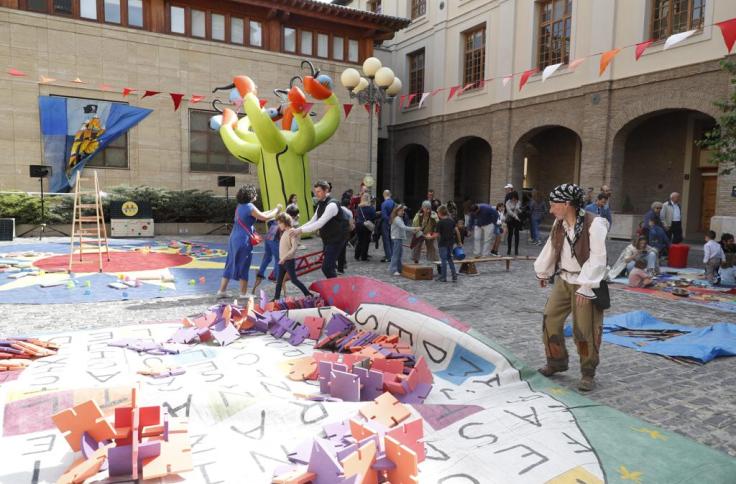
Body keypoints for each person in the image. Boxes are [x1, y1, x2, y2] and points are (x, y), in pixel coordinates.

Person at [534, 183, 609, 392]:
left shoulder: (595, 224)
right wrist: (544, 272)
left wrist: (586, 286)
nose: (550, 210)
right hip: (564, 280)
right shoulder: (559, 224)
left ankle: (587, 372)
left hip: (586, 282)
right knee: (550, 318)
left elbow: (598, 257)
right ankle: (556, 362)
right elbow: (552, 248)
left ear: (567, 204)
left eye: (553, 205)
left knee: (584, 329)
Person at [218, 184, 281, 299]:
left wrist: (272, 211)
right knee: (244, 264)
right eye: (254, 193)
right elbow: (264, 217)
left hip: (234, 238)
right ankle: (243, 293)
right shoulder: (250, 206)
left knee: (230, 263)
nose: (256, 194)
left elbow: (261, 214)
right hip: (243, 239)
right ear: (251, 195)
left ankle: (221, 291)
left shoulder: (241, 206)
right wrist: (277, 209)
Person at [290, 180, 350, 279]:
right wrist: (298, 229)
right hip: (328, 239)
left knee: (327, 268)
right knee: (329, 267)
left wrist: (299, 231)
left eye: (319, 191)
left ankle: (336, 289)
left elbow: (319, 223)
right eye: (316, 191)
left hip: (337, 239)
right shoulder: (321, 203)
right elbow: (312, 221)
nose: (316, 194)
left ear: (326, 190)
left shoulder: (332, 205)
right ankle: (334, 287)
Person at [273, 213, 311, 300]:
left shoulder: (291, 231)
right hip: (282, 261)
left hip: (288, 261)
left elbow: (293, 249)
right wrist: (282, 259)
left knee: (294, 280)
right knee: (279, 282)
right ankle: (276, 299)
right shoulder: (284, 232)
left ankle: (308, 294)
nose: (278, 225)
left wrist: (284, 258)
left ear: (285, 222)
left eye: (279, 223)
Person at [251, 217, 281, 294]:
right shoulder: (286, 220)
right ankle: (275, 277)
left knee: (268, 258)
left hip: (268, 237)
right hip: (274, 239)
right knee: (278, 259)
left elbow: (269, 222)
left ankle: (260, 273)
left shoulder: (278, 218)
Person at [389, 204, 421, 276]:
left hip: (398, 238)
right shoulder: (397, 219)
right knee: (396, 254)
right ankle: (393, 269)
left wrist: (413, 230)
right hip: (396, 238)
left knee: (399, 254)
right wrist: (415, 228)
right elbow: (404, 227)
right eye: (401, 210)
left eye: (403, 210)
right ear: (397, 211)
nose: (403, 212)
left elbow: (403, 228)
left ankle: (399, 268)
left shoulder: (399, 218)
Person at [436, 205, 459, 283]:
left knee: (443, 260)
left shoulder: (440, 223)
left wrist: (430, 237)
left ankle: (443, 277)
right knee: (450, 259)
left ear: (440, 213)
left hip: (443, 243)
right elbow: (457, 231)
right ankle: (454, 276)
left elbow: (438, 235)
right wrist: (459, 242)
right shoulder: (451, 221)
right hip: (450, 243)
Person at [354, 192, 376, 261]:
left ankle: (357, 256)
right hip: (366, 226)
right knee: (366, 241)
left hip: (358, 225)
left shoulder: (359, 207)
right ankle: (364, 256)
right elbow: (373, 216)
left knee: (359, 241)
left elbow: (357, 216)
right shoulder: (370, 208)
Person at [337, 198, 354, 274]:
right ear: (348, 205)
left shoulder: (337, 209)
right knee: (342, 250)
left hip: (335, 232)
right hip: (344, 232)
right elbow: (351, 225)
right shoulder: (349, 212)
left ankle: (335, 265)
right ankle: (341, 268)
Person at [505, 191, 523, 256]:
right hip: (510, 219)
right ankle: (509, 249)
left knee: (517, 234)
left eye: (514, 197)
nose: (513, 199)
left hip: (517, 219)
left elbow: (519, 211)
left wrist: (518, 209)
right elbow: (509, 211)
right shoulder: (508, 202)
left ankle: (516, 250)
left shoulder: (518, 202)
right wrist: (515, 216)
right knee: (510, 234)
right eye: (512, 197)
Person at [380, 190, 395, 262]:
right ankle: (392, 255)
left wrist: (388, 221)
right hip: (393, 223)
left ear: (384, 195)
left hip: (386, 223)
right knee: (391, 239)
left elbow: (384, 216)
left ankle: (388, 256)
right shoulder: (394, 203)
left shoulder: (384, 204)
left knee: (386, 240)